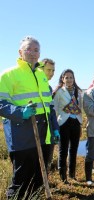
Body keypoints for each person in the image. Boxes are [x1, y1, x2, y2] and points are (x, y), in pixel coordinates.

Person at [0, 36, 54, 198]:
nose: (32, 53)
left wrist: (54, 128)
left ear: (39, 54)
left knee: (39, 177)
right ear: (20, 52)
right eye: (28, 49)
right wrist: (19, 112)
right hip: (21, 134)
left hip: (43, 134)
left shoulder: (41, 74)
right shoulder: (9, 75)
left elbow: (48, 105)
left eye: (36, 50)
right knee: (21, 179)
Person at [53, 69, 82, 183]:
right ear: (62, 79)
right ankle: (63, 177)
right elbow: (54, 108)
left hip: (76, 122)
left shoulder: (78, 92)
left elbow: (80, 109)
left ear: (74, 79)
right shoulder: (59, 92)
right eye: (67, 77)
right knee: (63, 150)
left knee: (74, 149)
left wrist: (81, 123)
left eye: (71, 77)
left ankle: (72, 174)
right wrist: (55, 125)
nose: (69, 80)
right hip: (64, 123)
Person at [40, 58, 60, 171]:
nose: (51, 73)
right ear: (40, 69)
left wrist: (56, 129)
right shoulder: (34, 87)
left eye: (53, 71)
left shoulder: (48, 88)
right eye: (49, 70)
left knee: (47, 160)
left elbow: (51, 111)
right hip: (38, 130)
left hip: (49, 130)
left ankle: (44, 185)